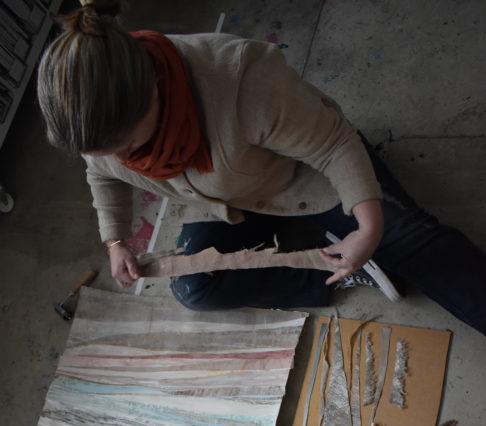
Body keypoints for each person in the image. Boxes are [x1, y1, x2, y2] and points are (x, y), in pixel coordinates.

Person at [37, 0, 486, 334]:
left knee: (415, 244)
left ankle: (348, 245)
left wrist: (367, 227)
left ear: (153, 90)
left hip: (312, 176)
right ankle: (326, 265)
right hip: (236, 198)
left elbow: (334, 145)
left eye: (128, 144)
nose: (120, 157)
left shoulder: (241, 80)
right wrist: (115, 240)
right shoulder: (98, 123)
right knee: (194, 287)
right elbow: (101, 174)